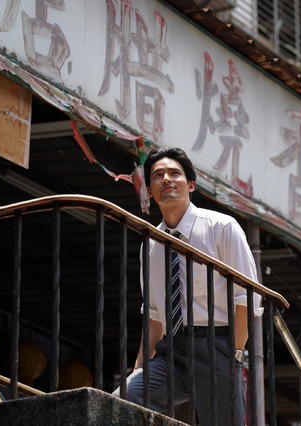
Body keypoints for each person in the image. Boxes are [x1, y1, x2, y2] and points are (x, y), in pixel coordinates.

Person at [113, 147, 261, 425]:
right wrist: (139, 368)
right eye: (158, 175)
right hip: (173, 351)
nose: (166, 179)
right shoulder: (151, 244)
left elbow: (247, 298)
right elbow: (154, 316)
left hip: (218, 347)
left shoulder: (222, 227)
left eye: (174, 173)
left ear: (190, 185)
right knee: (123, 399)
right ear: (150, 190)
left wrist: (234, 353)